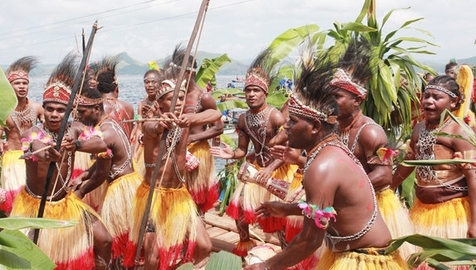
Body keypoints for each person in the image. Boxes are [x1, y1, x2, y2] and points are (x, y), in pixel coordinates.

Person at [244, 56, 407, 270]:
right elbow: (332, 205)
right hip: (353, 253)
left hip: (366, 260)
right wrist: (287, 209)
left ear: (314, 126)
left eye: (293, 121)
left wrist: (265, 266)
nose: (286, 126)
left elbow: (310, 240)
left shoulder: (323, 165)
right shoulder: (328, 150)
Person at [10, 54, 113, 269]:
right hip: (35, 205)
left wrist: (76, 145)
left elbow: (101, 144)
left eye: (60, 110)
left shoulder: (75, 129)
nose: (55, 114)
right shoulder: (33, 132)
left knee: (104, 239)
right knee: (30, 256)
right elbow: (38, 149)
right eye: (50, 109)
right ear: (43, 110)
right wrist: (50, 155)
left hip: (65, 202)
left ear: (69, 111)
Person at [330, 39, 416, 260]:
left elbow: (384, 175)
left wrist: (344, 191)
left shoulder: (371, 132)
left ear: (358, 99)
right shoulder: (334, 127)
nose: (331, 102)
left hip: (377, 208)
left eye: (337, 97)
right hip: (348, 207)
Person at [210, 49, 298, 256]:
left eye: (255, 90)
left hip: (279, 170)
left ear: (265, 93)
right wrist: (231, 154)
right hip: (256, 169)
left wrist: (270, 169)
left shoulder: (275, 117)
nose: (251, 94)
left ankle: (287, 257)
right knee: (240, 212)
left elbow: (289, 149)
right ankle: (245, 247)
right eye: (248, 90)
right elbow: (243, 149)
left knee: (280, 220)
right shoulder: (243, 119)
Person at [124, 79, 216, 269]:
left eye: (182, 97)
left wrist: (190, 119)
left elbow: (215, 113)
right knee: (153, 258)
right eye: (171, 99)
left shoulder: (185, 121)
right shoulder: (154, 122)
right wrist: (159, 126)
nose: (179, 102)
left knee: (205, 246)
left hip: (179, 195)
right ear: (159, 105)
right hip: (154, 195)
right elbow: (149, 129)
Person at [392, 75, 476, 268]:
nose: (428, 101)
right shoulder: (419, 128)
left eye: (437, 97)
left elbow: (473, 177)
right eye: (426, 96)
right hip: (421, 210)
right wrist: (388, 187)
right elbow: (410, 162)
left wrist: (474, 223)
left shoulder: (460, 132)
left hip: (452, 214)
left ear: (453, 102)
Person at [74, 85, 143, 267]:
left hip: (121, 190)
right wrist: (83, 175)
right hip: (127, 183)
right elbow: (102, 164)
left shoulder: (104, 133)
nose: (80, 117)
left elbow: (102, 174)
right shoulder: (109, 123)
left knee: (116, 244)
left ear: (96, 109)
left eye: (82, 112)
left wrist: (80, 193)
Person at [163, 46, 224, 214]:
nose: (174, 78)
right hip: (179, 151)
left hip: (198, 152)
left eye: (177, 74)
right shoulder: (174, 96)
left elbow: (218, 128)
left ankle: (198, 231)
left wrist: (192, 139)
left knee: (195, 197)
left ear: (188, 74)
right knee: (179, 196)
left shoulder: (203, 97)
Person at [0, 56, 44, 213]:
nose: (22, 87)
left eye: (25, 83)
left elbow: (49, 129)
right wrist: (0, 145)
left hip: (33, 156)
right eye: (17, 83)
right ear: (9, 86)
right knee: (15, 203)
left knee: (34, 199)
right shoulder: (3, 112)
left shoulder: (37, 108)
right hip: (13, 158)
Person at [130, 69, 163, 177]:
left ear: (160, 83)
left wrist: (155, 114)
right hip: (143, 144)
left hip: (158, 143)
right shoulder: (142, 104)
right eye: (147, 82)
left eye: (153, 82)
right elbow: (139, 128)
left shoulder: (163, 102)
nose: (150, 85)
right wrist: (135, 152)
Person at [96, 56, 135, 138]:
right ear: (117, 89)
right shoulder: (129, 107)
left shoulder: (97, 107)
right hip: (126, 150)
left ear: (97, 90)